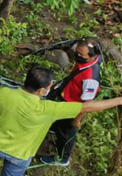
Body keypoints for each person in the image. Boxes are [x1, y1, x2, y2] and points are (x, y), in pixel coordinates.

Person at [41, 37, 103, 166]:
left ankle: (62, 159)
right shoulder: (84, 63)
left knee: (65, 133)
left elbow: (88, 103)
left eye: (82, 55)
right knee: (57, 124)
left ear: (92, 56)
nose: (78, 56)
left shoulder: (91, 78)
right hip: (65, 97)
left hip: (72, 108)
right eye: (77, 53)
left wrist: (77, 119)